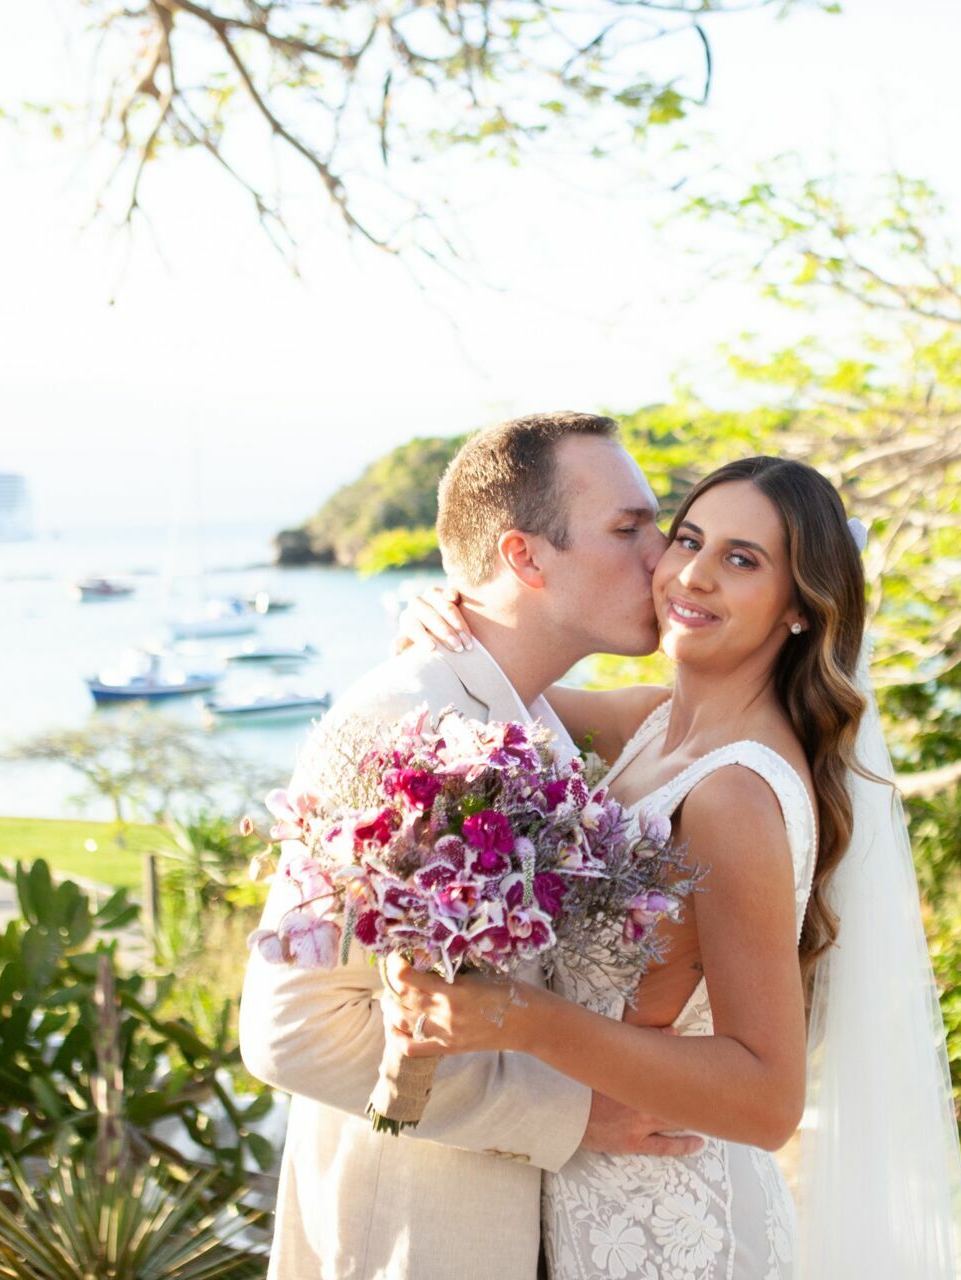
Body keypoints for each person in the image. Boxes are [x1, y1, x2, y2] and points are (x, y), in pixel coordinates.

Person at [388, 456, 961, 1278]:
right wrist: (442, 616)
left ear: (801, 609)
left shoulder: (735, 795)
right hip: (582, 1205)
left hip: (678, 1232)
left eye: (742, 560)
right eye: (688, 539)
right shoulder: (651, 724)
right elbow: (493, 686)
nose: (692, 576)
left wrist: (516, 1018)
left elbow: (767, 1099)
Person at [239, 411, 706, 1280]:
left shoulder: (535, 717)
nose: (664, 558)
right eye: (628, 528)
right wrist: (567, 1113)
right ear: (526, 557)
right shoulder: (393, 722)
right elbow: (289, 1030)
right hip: (416, 1241)